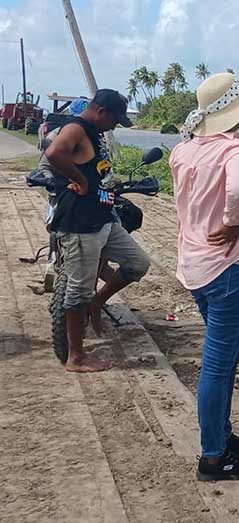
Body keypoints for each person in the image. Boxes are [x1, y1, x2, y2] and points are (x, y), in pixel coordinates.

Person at [169, 72, 239, 481]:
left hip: (195, 264)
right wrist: (231, 221)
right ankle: (213, 456)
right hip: (227, 266)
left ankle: (222, 435)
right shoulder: (236, 152)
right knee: (217, 363)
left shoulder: (185, 150)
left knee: (223, 359)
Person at [45, 89, 150, 373]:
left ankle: (98, 300)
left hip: (103, 217)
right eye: (115, 120)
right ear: (101, 111)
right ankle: (76, 357)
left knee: (139, 262)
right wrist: (78, 178)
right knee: (77, 290)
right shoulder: (76, 128)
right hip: (80, 223)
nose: (115, 126)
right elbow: (54, 153)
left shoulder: (94, 132)